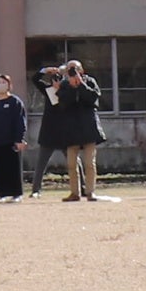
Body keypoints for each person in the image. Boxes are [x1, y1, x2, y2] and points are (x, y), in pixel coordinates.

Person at [43, 62, 102, 201]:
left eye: (75, 69)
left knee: (89, 163)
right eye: (70, 69)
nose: (72, 72)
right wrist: (68, 87)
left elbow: (93, 98)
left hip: (88, 127)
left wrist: (80, 84)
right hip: (70, 128)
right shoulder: (64, 85)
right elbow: (63, 104)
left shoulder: (90, 81)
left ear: (82, 70)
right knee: (71, 164)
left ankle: (90, 192)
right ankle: (74, 192)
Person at [0, 74, 27, 200]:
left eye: (4, 82)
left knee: (13, 168)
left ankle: (16, 193)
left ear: (9, 85)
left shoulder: (15, 102)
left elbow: (20, 122)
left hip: (12, 141)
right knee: (0, 168)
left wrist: (19, 139)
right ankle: (1, 193)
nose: (1, 84)